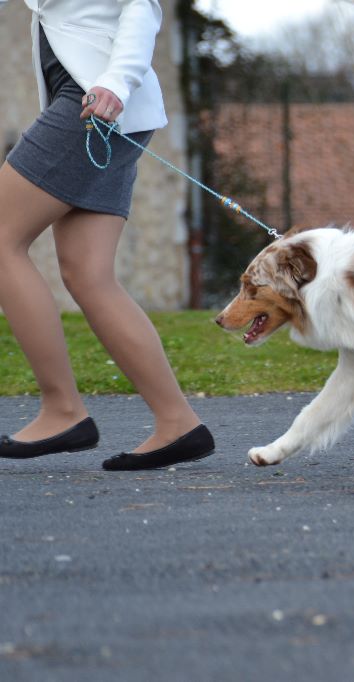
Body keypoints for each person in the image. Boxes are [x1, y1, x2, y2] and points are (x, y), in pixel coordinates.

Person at [0, 0, 215, 470]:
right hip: (95, 102)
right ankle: (177, 421)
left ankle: (61, 409)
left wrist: (115, 82)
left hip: (98, 96)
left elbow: (143, 6)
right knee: (87, 273)